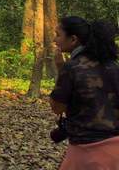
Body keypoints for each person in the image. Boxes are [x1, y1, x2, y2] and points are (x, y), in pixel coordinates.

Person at [50, 16, 119, 170]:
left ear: (73, 39)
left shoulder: (72, 67)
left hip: (86, 152)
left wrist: (60, 68)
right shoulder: (113, 66)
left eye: (58, 34)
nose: (55, 40)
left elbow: (57, 107)